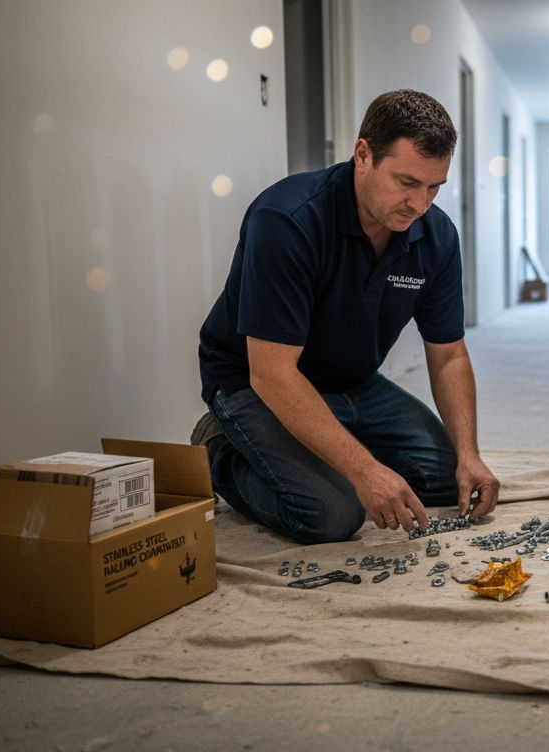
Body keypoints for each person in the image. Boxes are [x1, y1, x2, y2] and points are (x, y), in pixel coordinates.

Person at [193, 89, 499, 545]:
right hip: (251, 381)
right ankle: (221, 449)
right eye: (407, 182)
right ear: (363, 155)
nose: (421, 205)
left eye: (434, 187)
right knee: (333, 513)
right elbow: (272, 373)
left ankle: (323, 445)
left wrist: (469, 454)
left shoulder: (436, 237)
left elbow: (449, 354)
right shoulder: (288, 220)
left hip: (353, 382)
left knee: (441, 480)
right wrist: (364, 471)